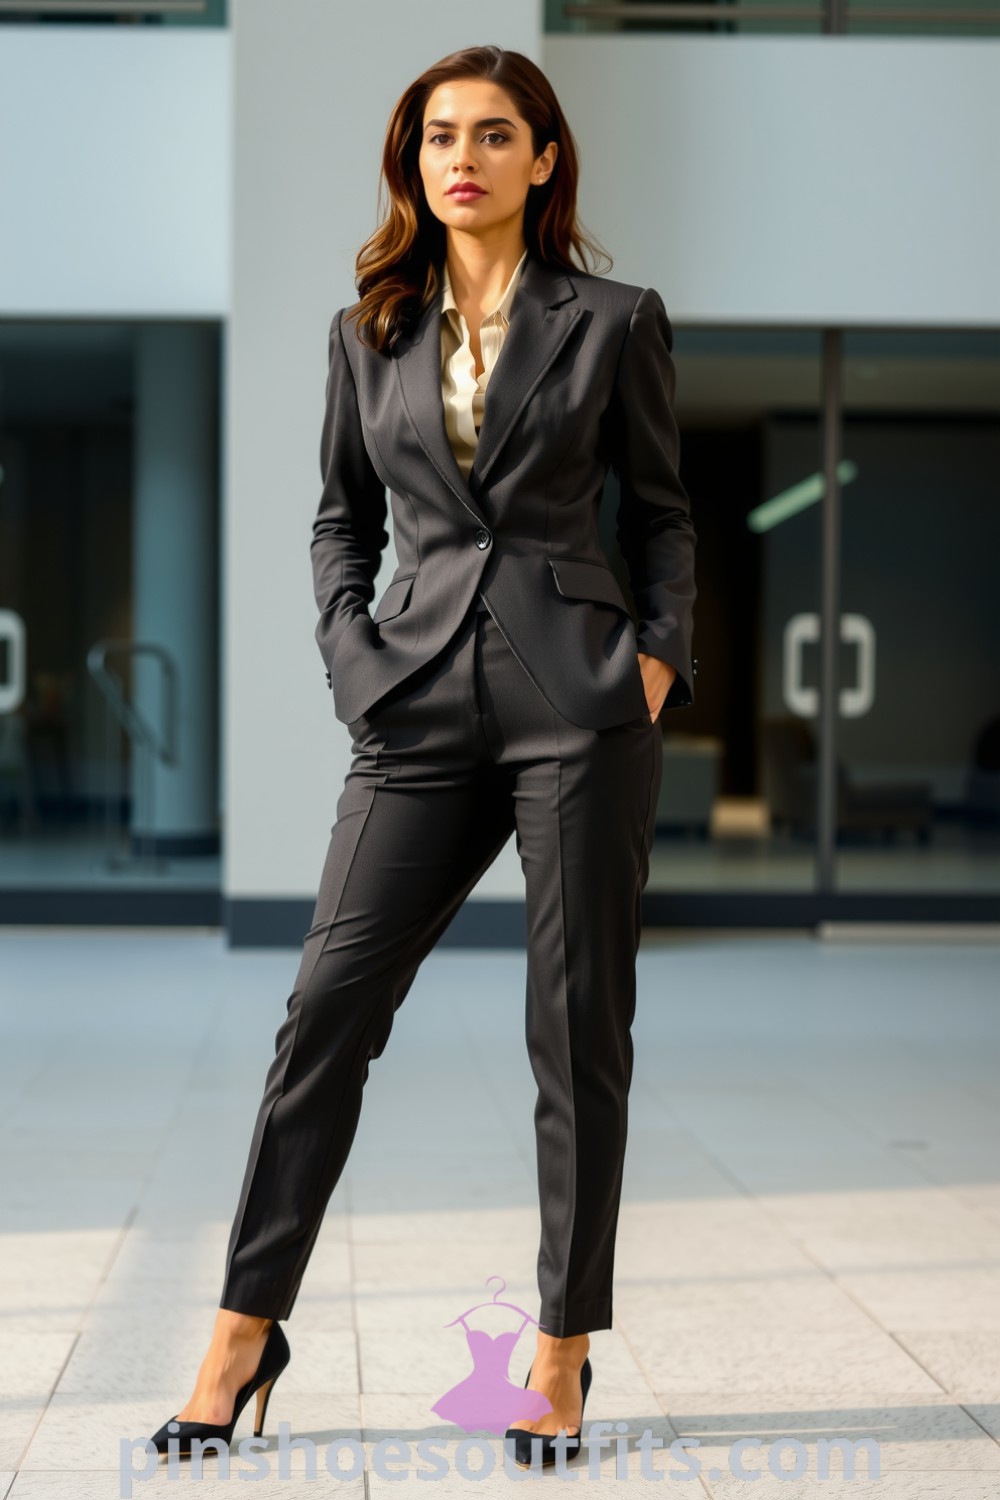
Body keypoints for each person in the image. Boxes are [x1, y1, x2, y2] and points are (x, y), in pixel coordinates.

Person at [150, 42, 697, 1468]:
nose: (463, 154)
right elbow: (341, 517)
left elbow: (664, 514)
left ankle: (562, 1349)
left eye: (495, 133)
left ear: (543, 159)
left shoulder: (613, 317)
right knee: (326, 1006)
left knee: (576, 1031)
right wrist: (352, 656)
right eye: (439, 134)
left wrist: (655, 661)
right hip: (414, 700)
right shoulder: (366, 332)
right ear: (415, 163)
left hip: (578, 698)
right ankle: (243, 1328)